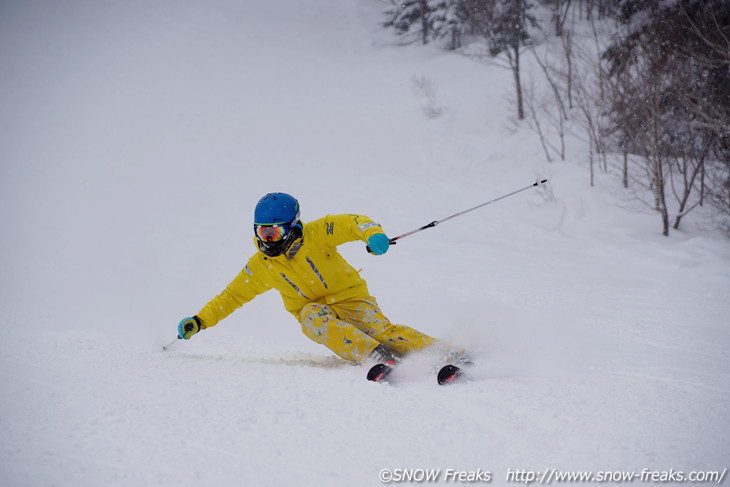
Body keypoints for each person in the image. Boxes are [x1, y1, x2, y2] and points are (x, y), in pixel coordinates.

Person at [177, 192, 440, 365]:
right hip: (315, 311)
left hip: (350, 297)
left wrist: (372, 234)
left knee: (382, 331)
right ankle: (374, 356)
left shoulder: (317, 233)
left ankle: (445, 353)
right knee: (312, 316)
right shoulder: (261, 266)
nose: (267, 240)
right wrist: (200, 321)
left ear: (292, 227)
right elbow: (231, 297)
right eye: (262, 233)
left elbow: (353, 222)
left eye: (274, 233)